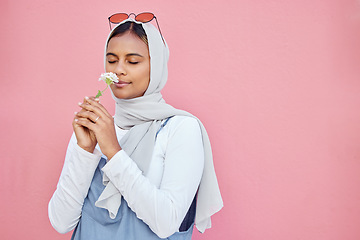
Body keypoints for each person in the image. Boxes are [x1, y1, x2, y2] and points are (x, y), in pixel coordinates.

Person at [48, 13, 223, 240]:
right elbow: (61, 223)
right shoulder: (95, 129)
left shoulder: (181, 129)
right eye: (111, 60)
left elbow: (166, 222)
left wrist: (113, 151)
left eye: (133, 61)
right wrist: (84, 152)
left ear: (156, 65)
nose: (118, 70)